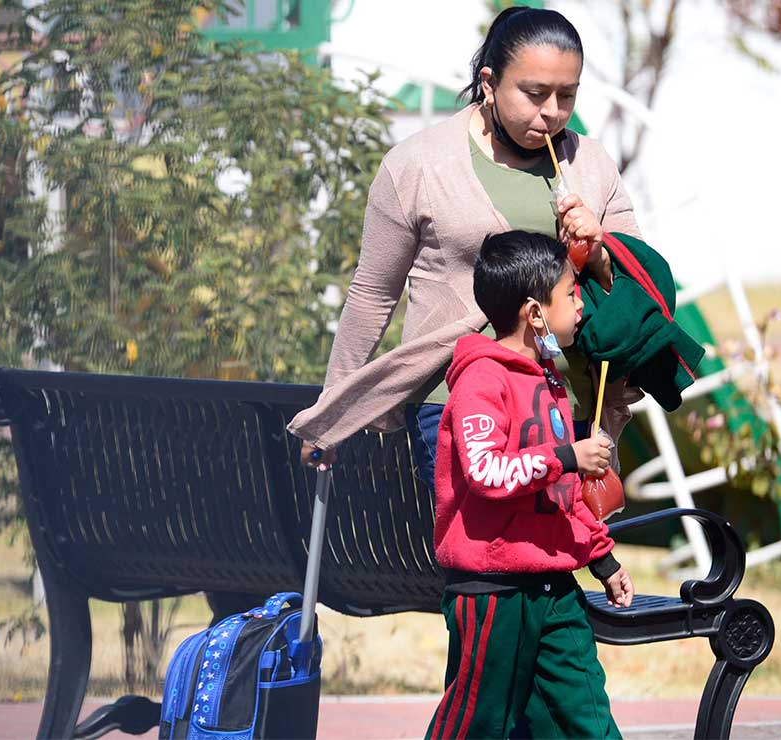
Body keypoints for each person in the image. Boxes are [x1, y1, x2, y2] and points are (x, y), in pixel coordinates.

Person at [288, 6, 642, 481]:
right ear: (490, 82)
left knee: (554, 556)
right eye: (535, 94)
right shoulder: (418, 165)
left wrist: (597, 251)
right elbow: (373, 294)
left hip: (565, 407)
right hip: (455, 402)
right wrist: (332, 413)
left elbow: (641, 288)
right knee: (480, 553)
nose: (553, 112)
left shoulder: (591, 166)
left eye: (567, 95)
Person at [427, 231, 633, 740]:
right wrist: (567, 456)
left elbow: (560, 497)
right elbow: (487, 473)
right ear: (534, 312)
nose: (581, 303)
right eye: (570, 292)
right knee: (478, 723)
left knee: (584, 717)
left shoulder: (550, 380)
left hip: (555, 586)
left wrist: (601, 559)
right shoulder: (482, 381)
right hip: (494, 590)